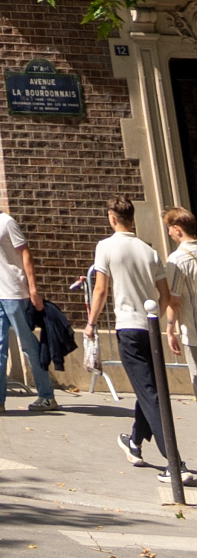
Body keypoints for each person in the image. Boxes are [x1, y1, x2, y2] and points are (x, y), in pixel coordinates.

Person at [88, 195, 177, 471]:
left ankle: (174, 462)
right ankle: (135, 441)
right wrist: (154, 318)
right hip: (149, 327)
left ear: (112, 218)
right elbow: (165, 296)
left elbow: (101, 290)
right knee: (149, 388)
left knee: (150, 392)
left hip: (127, 328)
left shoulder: (105, 247)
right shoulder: (149, 251)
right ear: (132, 217)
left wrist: (90, 323)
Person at [0, 175, 58, 413]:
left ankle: (46, 395)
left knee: (28, 346)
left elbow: (25, 254)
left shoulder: (6, 222)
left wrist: (33, 290)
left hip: (15, 295)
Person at [164, 208, 197, 369]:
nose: (169, 233)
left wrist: (170, 331)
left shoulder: (177, 260)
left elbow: (174, 301)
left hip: (194, 330)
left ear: (177, 229)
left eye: (169, 228)